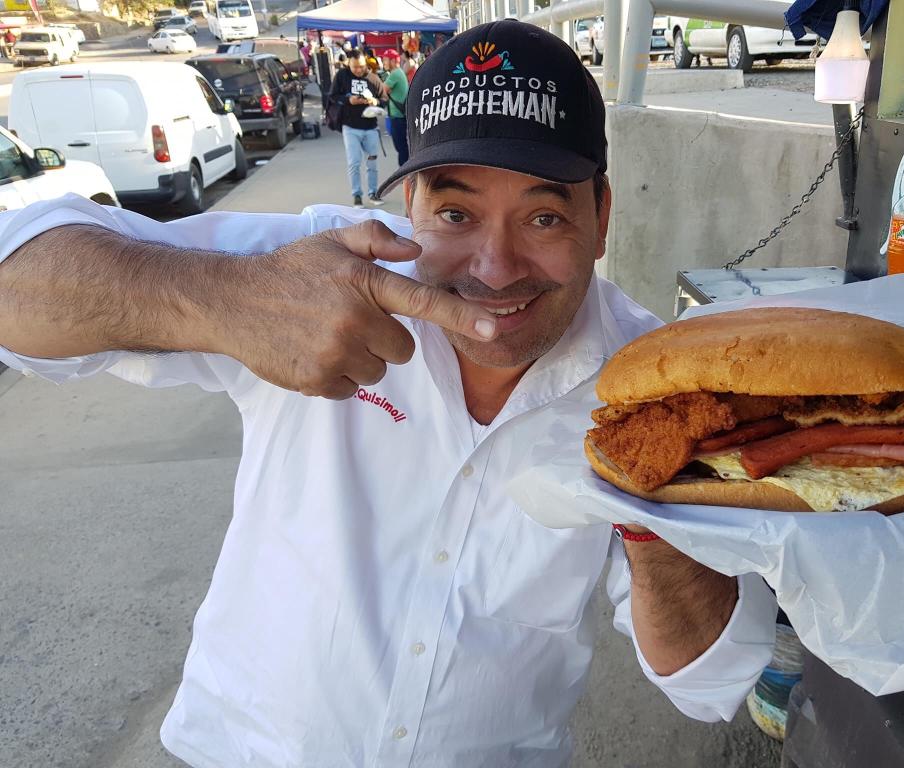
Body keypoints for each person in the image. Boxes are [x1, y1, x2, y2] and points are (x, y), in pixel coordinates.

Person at [0, 20, 774, 768]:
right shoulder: (311, 270)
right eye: (455, 213)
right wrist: (229, 300)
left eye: (543, 216)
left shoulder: (649, 384)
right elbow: (16, 281)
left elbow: (708, 679)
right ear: (407, 207)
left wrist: (653, 507)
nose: (497, 269)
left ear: (600, 216)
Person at [330, 51, 386, 206]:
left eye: (361, 66)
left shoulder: (373, 78)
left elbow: (384, 100)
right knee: (354, 162)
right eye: (355, 67)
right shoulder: (342, 76)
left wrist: (375, 102)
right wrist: (348, 100)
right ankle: (357, 195)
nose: (359, 70)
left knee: (372, 162)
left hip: (370, 128)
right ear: (349, 63)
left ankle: (373, 193)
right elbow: (332, 96)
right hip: (350, 127)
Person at [379, 48, 409, 167]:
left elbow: (382, 91)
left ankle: (405, 174)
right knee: (402, 146)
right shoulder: (397, 73)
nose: (384, 62)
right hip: (399, 116)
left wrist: (385, 88)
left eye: (385, 60)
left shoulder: (395, 74)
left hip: (398, 117)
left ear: (392, 61)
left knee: (401, 147)